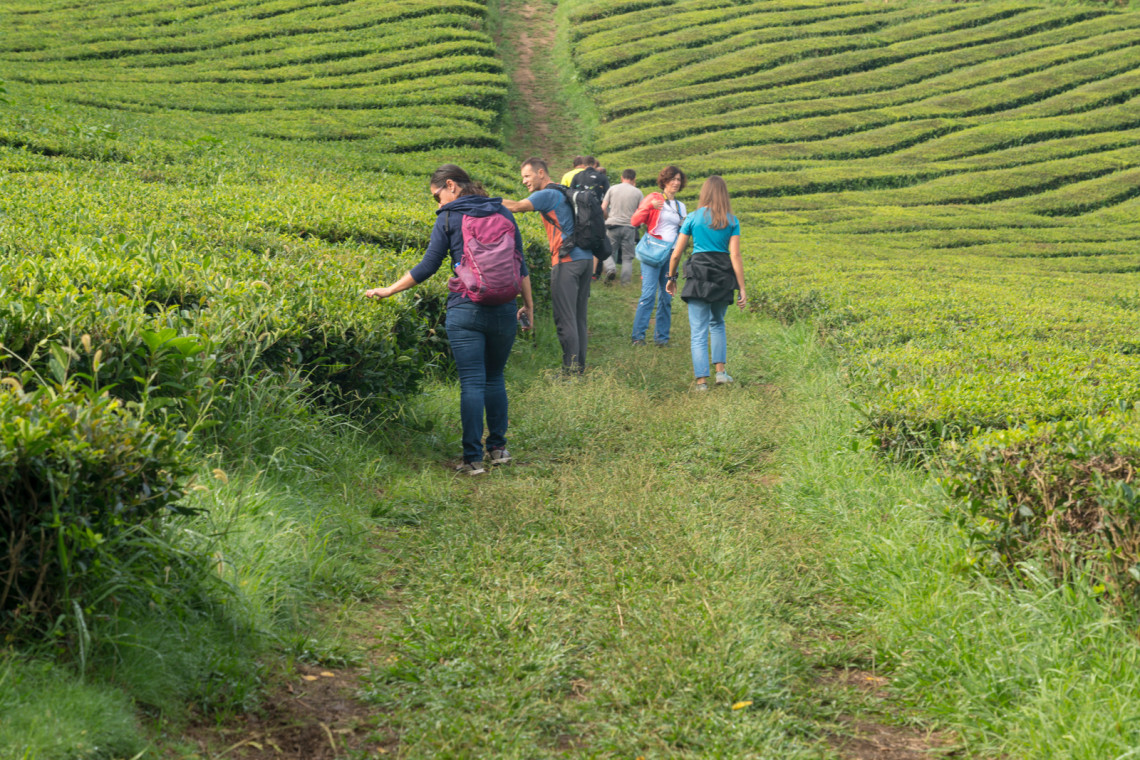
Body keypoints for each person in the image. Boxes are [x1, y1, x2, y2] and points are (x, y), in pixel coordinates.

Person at [365, 164, 534, 475]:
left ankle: (472, 459)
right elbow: (521, 264)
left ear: (452, 186)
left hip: (465, 309)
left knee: (472, 383)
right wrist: (528, 307)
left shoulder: (448, 217)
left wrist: (389, 289)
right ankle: (498, 449)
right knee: (495, 378)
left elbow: (429, 265)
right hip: (504, 309)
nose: (437, 202)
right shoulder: (503, 213)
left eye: (436, 195)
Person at [502, 157, 593, 374]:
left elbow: (516, 206)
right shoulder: (561, 190)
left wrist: (481, 201)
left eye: (527, 175)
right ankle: (578, 369)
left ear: (540, 172)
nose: (524, 181)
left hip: (566, 261)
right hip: (585, 259)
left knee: (565, 318)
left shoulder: (547, 194)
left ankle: (570, 373)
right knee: (579, 317)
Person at [664, 175, 746, 391]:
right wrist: (742, 288)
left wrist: (671, 278)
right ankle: (721, 372)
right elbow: (735, 256)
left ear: (705, 193)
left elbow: (676, 254)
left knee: (698, 331)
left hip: (698, 273)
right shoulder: (732, 220)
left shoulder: (692, 218)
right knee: (717, 323)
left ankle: (701, 383)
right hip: (722, 275)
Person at [629, 165, 687, 347]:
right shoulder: (654, 198)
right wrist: (648, 207)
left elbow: (682, 231)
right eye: (672, 179)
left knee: (666, 297)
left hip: (671, 255)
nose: (675, 183)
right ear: (665, 181)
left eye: (678, 180)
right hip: (653, 252)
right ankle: (638, 336)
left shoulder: (680, 206)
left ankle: (661, 338)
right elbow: (635, 221)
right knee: (648, 295)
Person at [601, 168, 643, 286]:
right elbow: (641, 211)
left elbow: (603, 207)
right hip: (629, 227)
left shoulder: (612, 189)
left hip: (612, 224)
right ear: (634, 179)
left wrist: (608, 218)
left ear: (621, 177)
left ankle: (610, 269)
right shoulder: (638, 192)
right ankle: (625, 283)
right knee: (627, 257)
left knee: (608, 251)